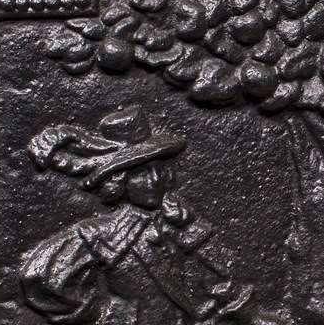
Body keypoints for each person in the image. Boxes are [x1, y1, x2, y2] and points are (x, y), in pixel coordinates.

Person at [19, 105, 252, 325]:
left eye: (159, 169)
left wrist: (191, 227)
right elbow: (37, 279)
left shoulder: (175, 219)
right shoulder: (98, 233)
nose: (155, 180)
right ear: (118, 182)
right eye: (141, 173)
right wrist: (108, 312)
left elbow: (231, 271)